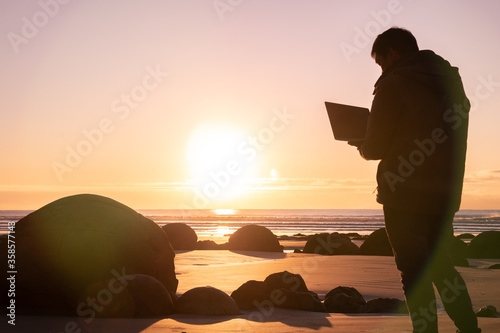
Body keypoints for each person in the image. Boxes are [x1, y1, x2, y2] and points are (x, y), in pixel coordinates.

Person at [349, 27, 481, 333]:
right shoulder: (450, 80)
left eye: (381, 62)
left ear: (392, 53)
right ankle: (470, 330)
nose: (382, 69)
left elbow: (377, 146)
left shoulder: (394, 82)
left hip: (404, 191)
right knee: (440, 266)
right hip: (444, 192)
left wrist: (361, 143)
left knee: (413, 271)